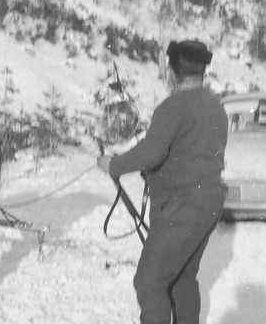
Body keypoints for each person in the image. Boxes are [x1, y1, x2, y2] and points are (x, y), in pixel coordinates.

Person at [97, 40, 228, 324]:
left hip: (181, 209)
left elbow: (151, 152)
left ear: (171, 72)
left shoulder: (173, 107)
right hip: (208, 203)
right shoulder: (215, 106)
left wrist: (114, 164)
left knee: (150, 282)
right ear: (202, 71)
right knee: (182, 281)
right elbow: (188, 154)